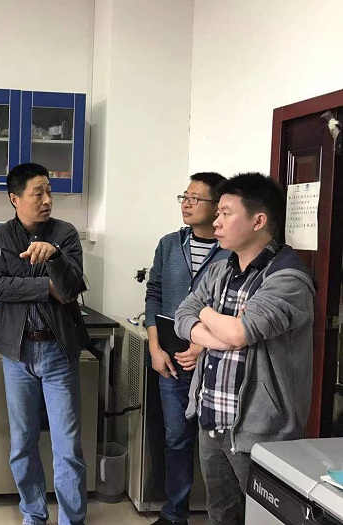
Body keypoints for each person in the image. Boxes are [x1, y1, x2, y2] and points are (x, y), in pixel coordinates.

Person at [174, 173, 315, 525]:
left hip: (260, 430)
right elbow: (182, 313)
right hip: (211, 418)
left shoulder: (288, 278)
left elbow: (240, 333)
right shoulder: (220, 271)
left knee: (263, 518)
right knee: (220, 515)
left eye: (226, 213)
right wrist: (220, 329)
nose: (216, 222)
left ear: (258, 220)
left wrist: (207, 314)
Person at [0, 163, 91, 525]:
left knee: (67, 445)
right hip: (17, 353)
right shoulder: (0, 237)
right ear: (15, 198)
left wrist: (56, 258)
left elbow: (71, 289)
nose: (47, 200)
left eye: (49, 192)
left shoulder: (65, 234)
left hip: (58, 350)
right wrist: (45, 286)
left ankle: (72, 520)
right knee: (22, 443)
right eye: (38, 193)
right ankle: (33, 514)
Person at [144, 172, 229, 525]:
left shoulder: (231, 250)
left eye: (196, 198)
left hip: (216, 362)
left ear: (218, 206)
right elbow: (154, 294)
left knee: (217, 444)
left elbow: (233, 310)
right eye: (185, 197)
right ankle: (174, 513)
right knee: (176, 438)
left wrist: (200, 346)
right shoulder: (169, 244)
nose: (187, 204)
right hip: (171, 360)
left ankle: (220, 515)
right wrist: (154, 347)